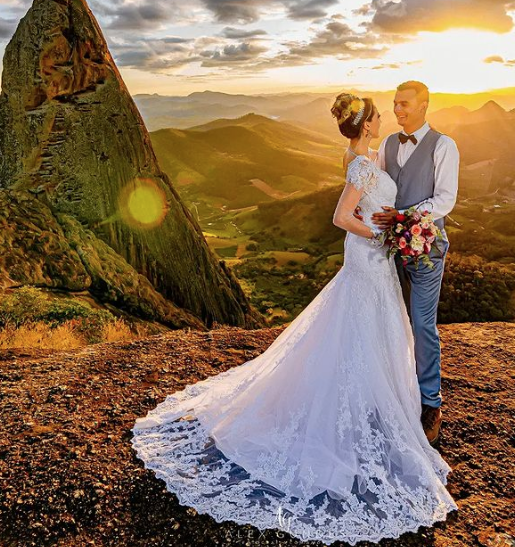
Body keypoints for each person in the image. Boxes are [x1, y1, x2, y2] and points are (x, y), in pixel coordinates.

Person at [131, 92, 457, 544]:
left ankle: (370, 401)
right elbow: (342, 215)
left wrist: (391, 227)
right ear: (365, 126)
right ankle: (357, 407)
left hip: (374, 260)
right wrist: (384, 232)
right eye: (380, 113)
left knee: (368, 329)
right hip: (369, 255)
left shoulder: (363, 154)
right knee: (360, 328)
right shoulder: (364, 162)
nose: (386, 115)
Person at [370, 81, 459, 448]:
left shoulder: (445, 146)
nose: (397, 110)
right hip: (390, 249)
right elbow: (373, 182)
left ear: (424, 106)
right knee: (389, 318)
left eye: (404, 104)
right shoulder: (389, 144)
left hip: (427, 248)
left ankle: (430, 402)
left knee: (422, 322)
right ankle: (389, 388)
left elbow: (445, 200)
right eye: (394, 104)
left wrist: (404, 216)